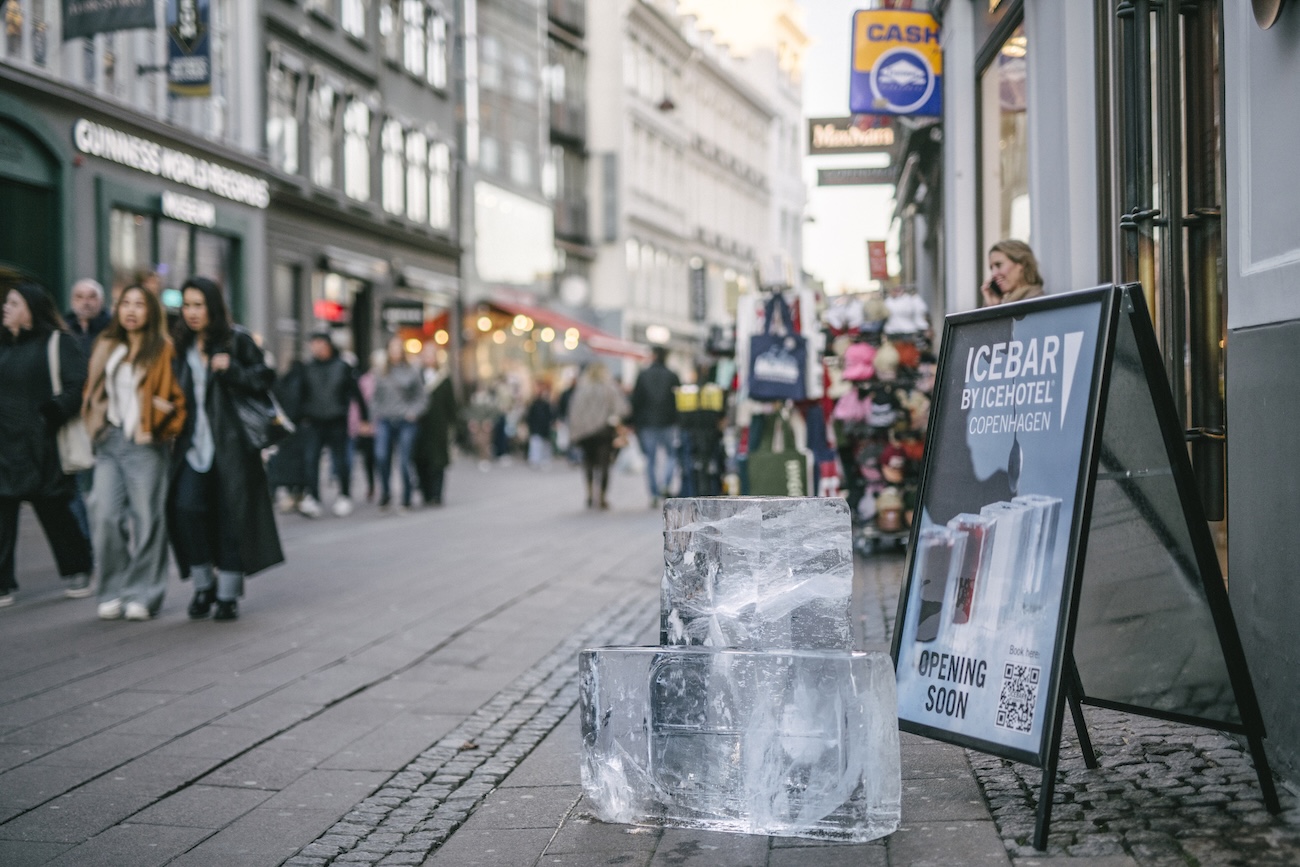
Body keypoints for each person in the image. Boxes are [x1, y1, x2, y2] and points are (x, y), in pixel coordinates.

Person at [169, 277, 284, 621]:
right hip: (192, 447)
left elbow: (265, 377)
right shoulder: (180, 345)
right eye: (186, 305)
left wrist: (231, 369)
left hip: (232, 448)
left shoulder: (238, 339)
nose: (191, 312)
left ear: (213, 307)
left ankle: (227, 594)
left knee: (230, 517)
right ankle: (203, 584)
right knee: (186, 509)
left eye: (198, 305)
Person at [82, 285, 186, 620]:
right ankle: (113, 589)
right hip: (110, 441)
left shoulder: (163, 347)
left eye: (139, 304)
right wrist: (93, 421)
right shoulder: (106, 344)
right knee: (105, 516)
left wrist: (163, 424)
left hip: (146, 442)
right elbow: (93, 387)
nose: (131, 310)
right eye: (125, 303)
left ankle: (144, 593)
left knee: (148, 520)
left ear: (151, 311)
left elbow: (176, 395)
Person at [0, 281, 95, 607]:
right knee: (1, 515)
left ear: (29, 307)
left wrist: (50, 414)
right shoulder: (4, 347)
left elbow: (75, 385)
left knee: (55, 510)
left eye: (12, 303)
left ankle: (78, 568)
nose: (5, 308)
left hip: (45, 445)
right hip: (5, 446)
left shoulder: (58, 342)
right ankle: (1, 583)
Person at [297, 331, 368, 518]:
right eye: (312, 344)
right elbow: (300, 394)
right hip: (313, 421)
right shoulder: (307, 368)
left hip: (336, 420)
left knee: (340, 460)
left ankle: (344, 495)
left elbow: (356, 393)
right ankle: (313, 498)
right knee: (311, 459)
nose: (315, 348)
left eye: (318, 343)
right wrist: (300, 417)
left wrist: (364, 418)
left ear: (327, 345)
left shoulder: (342, 366)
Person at [372, 337, 428, 510]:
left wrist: (414, 412)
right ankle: (386, 493)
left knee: (404, 460)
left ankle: (406, 496)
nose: (395, 352)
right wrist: (375, 414)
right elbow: (374, 398)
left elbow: (422, 397)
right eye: (392, 348)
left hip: (405, 421)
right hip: (385, 420)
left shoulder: (412, 371)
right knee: (381, 456)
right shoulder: (381, 372)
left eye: (398, 348)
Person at [567, 363, 630, 510]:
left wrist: (575, 432)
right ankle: (601, 497)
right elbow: (623, 409)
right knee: (604, 465)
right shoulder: (610, 388)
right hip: (603, 432)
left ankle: (589, 493)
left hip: (585, 434)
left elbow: (573, 413)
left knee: (588, 463)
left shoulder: (581, 390)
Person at [630, 345, 681, 506]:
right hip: (668, 422)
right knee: (672, 455)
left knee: (650, 460)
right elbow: (678, 401)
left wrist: (634, 422)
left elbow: (636, 401)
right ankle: (665, 483)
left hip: (647, 424)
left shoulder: (643, 375)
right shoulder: (672, 375)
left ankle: (653, 493)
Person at [414, 344, 456, 505]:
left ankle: (437, 495)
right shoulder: (417, 377)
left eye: (431, 355)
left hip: (438, 426)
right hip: (420, 425)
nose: (428, 358)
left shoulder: (444, 378)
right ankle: (426, 492)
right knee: (421, 460)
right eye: (425, 355)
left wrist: (454, 425)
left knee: (438, 461)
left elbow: (451, 403)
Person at [981, 240, 1045, 306]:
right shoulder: (1008, 302)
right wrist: (992, 306)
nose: (993, 274)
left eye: (998, 265)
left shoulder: (1035, 302)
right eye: (991, 268)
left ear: (1022, 263)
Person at [65, 278, 111, 357]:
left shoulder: (112, 327)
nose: (85, 302)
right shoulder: (64, 327)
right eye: (79, 297)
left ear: (102, 300)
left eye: (92, 297)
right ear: (72, 301)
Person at [525, 382, 555, 469]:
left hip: (545, 427)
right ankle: (534, 460)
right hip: (535, 426)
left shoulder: (546, 404)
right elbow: (530, 416)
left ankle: (544, 460)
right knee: (535, 443)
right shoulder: (533, 403)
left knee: (545, 444)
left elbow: (550, 415)